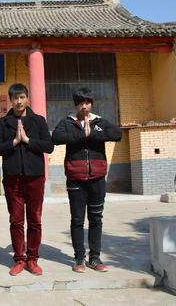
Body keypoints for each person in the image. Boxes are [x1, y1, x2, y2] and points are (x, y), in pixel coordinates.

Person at [51, 87, 122, 273]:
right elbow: (56, 138)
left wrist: (94, 134)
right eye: (81, 103)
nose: (85, 106)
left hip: (97, 178)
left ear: (91, 104)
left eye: (88, 102)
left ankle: (95, 257)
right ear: (76, 105)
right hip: (75, 178)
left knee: (96, 218)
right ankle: (79, 258)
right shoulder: (68, 122)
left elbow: (117, 134)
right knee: (77, 219)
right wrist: (81, 134)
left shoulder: (99, 122)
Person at [0, 83, 54, 276]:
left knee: (35, 219)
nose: (19, 101)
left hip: (35, 178)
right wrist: (14, 142)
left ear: (27, 98)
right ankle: (19, 258)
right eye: (15, 98)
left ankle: (32, 258)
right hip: (12, 179)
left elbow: (49, 146)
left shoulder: (38, 121)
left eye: (22, 97)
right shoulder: (3, 122)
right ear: (11, 100)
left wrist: (28, 141)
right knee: (16, 220)